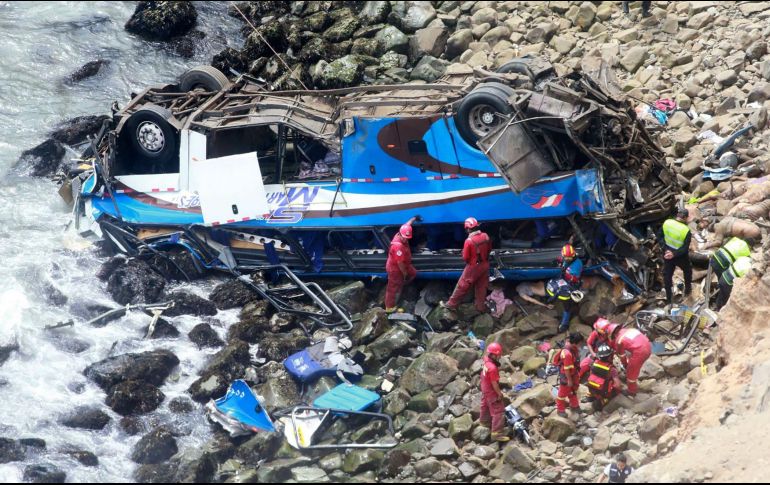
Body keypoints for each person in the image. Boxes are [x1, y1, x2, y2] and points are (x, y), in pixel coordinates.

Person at [442, 217, 492, 313]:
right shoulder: (485, 236)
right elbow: (489, 249)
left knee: (462, 285)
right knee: (481, 286)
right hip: (485, 264)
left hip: (473, 266)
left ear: (468, 228)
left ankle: (451, 304)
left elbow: (465, 257)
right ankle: (480, 307)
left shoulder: (469, 241)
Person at [384, 216, 419, 313]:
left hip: (405, 264)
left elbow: (407, 224)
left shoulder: (403, 232)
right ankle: (389, 307)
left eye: (407, 238)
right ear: (400, 234)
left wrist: (414, 218)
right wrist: (404, 274)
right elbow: (400, 263)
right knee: (393, 287)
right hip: (396, 269)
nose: (405, 240)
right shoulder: (398, 246)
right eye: (404, 238)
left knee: (413, 273)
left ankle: (403, 284)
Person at [661, 208, 692, 306]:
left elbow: (659, 237)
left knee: (667, 276)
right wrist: (674, 254)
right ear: (686, 218)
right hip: (680, 256)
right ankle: (687, 290)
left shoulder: (667, 223)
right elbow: (685, 248)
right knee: (687, 270)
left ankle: (669, 298)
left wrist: (666, 249)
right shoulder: (686, 230)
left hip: (667, 254)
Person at [609, 325, 651, 396]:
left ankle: (631, 391)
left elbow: (622, 356)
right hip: (648, 346)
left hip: (640, 352)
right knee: (634, 364)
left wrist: (626, 365)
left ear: (614, 334)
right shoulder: (631, 330)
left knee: (631, 373)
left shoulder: (619, 340)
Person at [480, 342, 509, 442]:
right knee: (498, 410)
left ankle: (484, 421)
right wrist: (499, 394)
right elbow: (494, 384)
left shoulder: (486, 360)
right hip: (491, 390)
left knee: (485, 405)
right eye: (498, 355)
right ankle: (496, 433)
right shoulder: (492, 368)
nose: (499, 357)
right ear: (493, 355)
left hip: (484, 388)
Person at [580, 344, 623, 409]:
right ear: (609, 356)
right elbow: (617, 385)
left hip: (592, 388)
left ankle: (591, 396)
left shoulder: (593, 363)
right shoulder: (612, 369)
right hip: (603, 392)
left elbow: (592, 374)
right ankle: (603, 400)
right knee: (617, 391)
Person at [552, 332, 584, 418]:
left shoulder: (573, 347)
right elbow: (566, 369)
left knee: (573, 390)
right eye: (580, 343)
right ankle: (560, 409)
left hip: (573, 372)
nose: (581, 345)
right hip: (566, 374)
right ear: (575, 343)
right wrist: (569, 380)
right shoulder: (567, 354)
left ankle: (574, 405)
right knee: (562, 393)